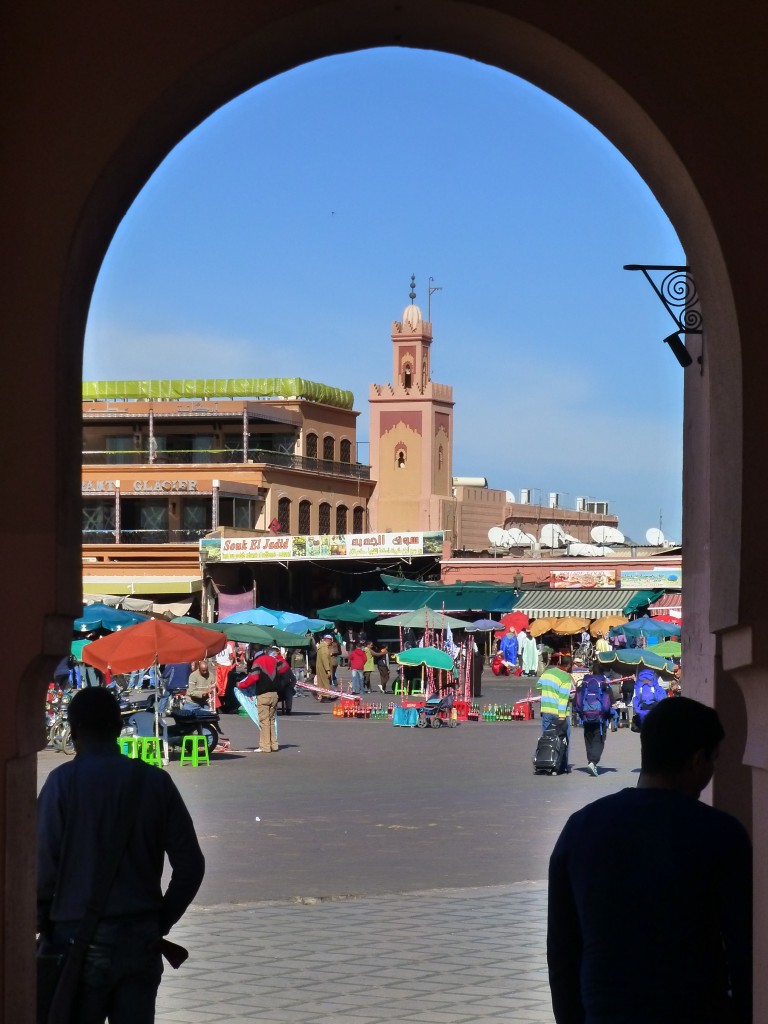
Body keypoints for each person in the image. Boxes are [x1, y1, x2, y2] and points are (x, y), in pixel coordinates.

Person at [547, 696, 752, 1024]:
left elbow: (562, 955)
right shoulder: (722, 836)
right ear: (698, 761)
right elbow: (744, 952)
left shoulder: (582, 828)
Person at [37, 686, 205, 1024]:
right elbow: (190, 866)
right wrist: (159, 921)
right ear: (118, 729)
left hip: (77, 943)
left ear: (75, 730)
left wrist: (43, 923)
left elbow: (40, 872)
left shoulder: (61, 784)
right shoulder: (155, 783)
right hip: (139, 942)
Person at [573, 669, 612, 776]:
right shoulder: (604, 685)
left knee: (588, 738)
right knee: (599, 740)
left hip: (586, 717)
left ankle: (591, 761)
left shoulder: (584, 684)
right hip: (600, 718)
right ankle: (593, 762)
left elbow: (576, 701)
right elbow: (610, 700)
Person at [240, 649, 281, 752]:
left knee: (264, 721)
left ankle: (265, 746)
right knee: (271, 720)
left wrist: (240, 684)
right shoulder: (274, 661)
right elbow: (283, 672)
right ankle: (274, 744)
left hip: (263, 694)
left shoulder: (258, 662)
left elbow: (252, 678)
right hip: (274, 694)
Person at [537, 655, 574, 745]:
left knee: (547, 740)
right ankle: (561, 759)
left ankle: (548, 758)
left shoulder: (547, 673)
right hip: (559, 714)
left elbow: (538, 686)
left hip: (546, 711)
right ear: (569, 665)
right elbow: (563, 698)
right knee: (563, 743)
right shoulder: (565, 677)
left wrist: (549, 690)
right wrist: (562, 716)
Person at [315, 634, 334, 699]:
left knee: (320, 682)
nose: (332, 642)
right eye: (331, 640)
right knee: (325, 681)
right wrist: (328, 670)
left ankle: (320, 694)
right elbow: (325, 659)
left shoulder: (321, 647)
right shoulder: (324, 648)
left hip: (320, 667)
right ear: (328, 640)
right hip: (323, 668)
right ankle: (325, 695)